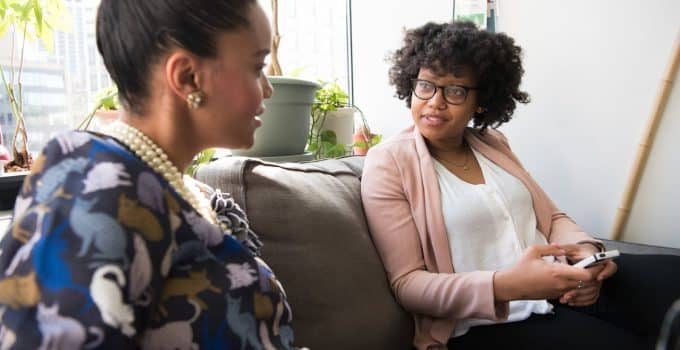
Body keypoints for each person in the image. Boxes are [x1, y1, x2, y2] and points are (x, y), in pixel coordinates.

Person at [361, 21, 680, 350]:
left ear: (480, 101)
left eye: (455, 91)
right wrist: (505, 286)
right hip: (493, 320)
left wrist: (587, 255)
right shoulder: (389, 162)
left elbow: (552, 218)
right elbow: (408, 285)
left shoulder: (492, 142)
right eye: (426, 85)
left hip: (561, 283)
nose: (435, 102)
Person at [0, 0, 302, 348]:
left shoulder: (178, 189)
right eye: (257, 66)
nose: (268, 89)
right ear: (187, 77)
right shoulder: (93, 184)